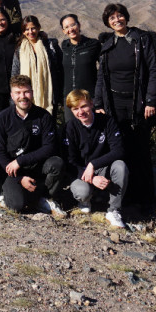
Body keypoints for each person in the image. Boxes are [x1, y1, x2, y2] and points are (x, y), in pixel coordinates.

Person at [94, 3, 156, 210]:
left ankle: (146, 200)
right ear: (107, 22)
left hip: (138, 104)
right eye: (112, 18)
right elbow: (101, 77)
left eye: (120, 16)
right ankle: (126, 199)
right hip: (114, 106)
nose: (117, 20)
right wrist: (98, 103)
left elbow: (154, 70)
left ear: (126, 17)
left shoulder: (141, 39)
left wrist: (151, 100)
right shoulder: (108, 44)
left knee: (141, 151)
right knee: (120, 150)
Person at [0, 75, 65, 217]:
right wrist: (19, 178)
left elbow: (49, 147)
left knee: (57, 164)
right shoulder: (2, 118)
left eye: (26, 92)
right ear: (12, 95)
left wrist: (20, 161)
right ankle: (9, 194)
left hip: (36, 166)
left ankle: (45, 198)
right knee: (16, 206)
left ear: (32, 92)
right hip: (13, 172)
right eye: (18, 93)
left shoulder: (43, 116)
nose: (22, 96)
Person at [64, 90, 128, 228]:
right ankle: (85, 200)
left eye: (83, 106)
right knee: (82, 192)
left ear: (91, 104)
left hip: (103, 168)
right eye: (75, 109)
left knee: (120, 166)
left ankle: (113, 210)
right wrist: (91, 178)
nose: (80, 112)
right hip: (82, 173)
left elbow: (119, 150)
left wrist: (94, 164)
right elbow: (70, 161)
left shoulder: (107, 121)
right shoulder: (70, 127)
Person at [11, 15, 63, 118]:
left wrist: (59, 94)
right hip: (26, 97)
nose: (30, 32)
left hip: (49, 95)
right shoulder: (20, 50)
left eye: (33, 28)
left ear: (39, 28)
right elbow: (15, 74)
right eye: (27, 29)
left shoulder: (50, 45)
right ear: (23, 31)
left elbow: (59, 69)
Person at [59, 14, 101, 123]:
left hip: (89, 97)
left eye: (73, 25)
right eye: (66, 27)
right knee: (72, 129)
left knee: (91, 129)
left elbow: (104, 69)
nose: (70, 29)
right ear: (63, 31)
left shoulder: (93, 45)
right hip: (69, 97)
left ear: (79, 25)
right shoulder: (64, 46)